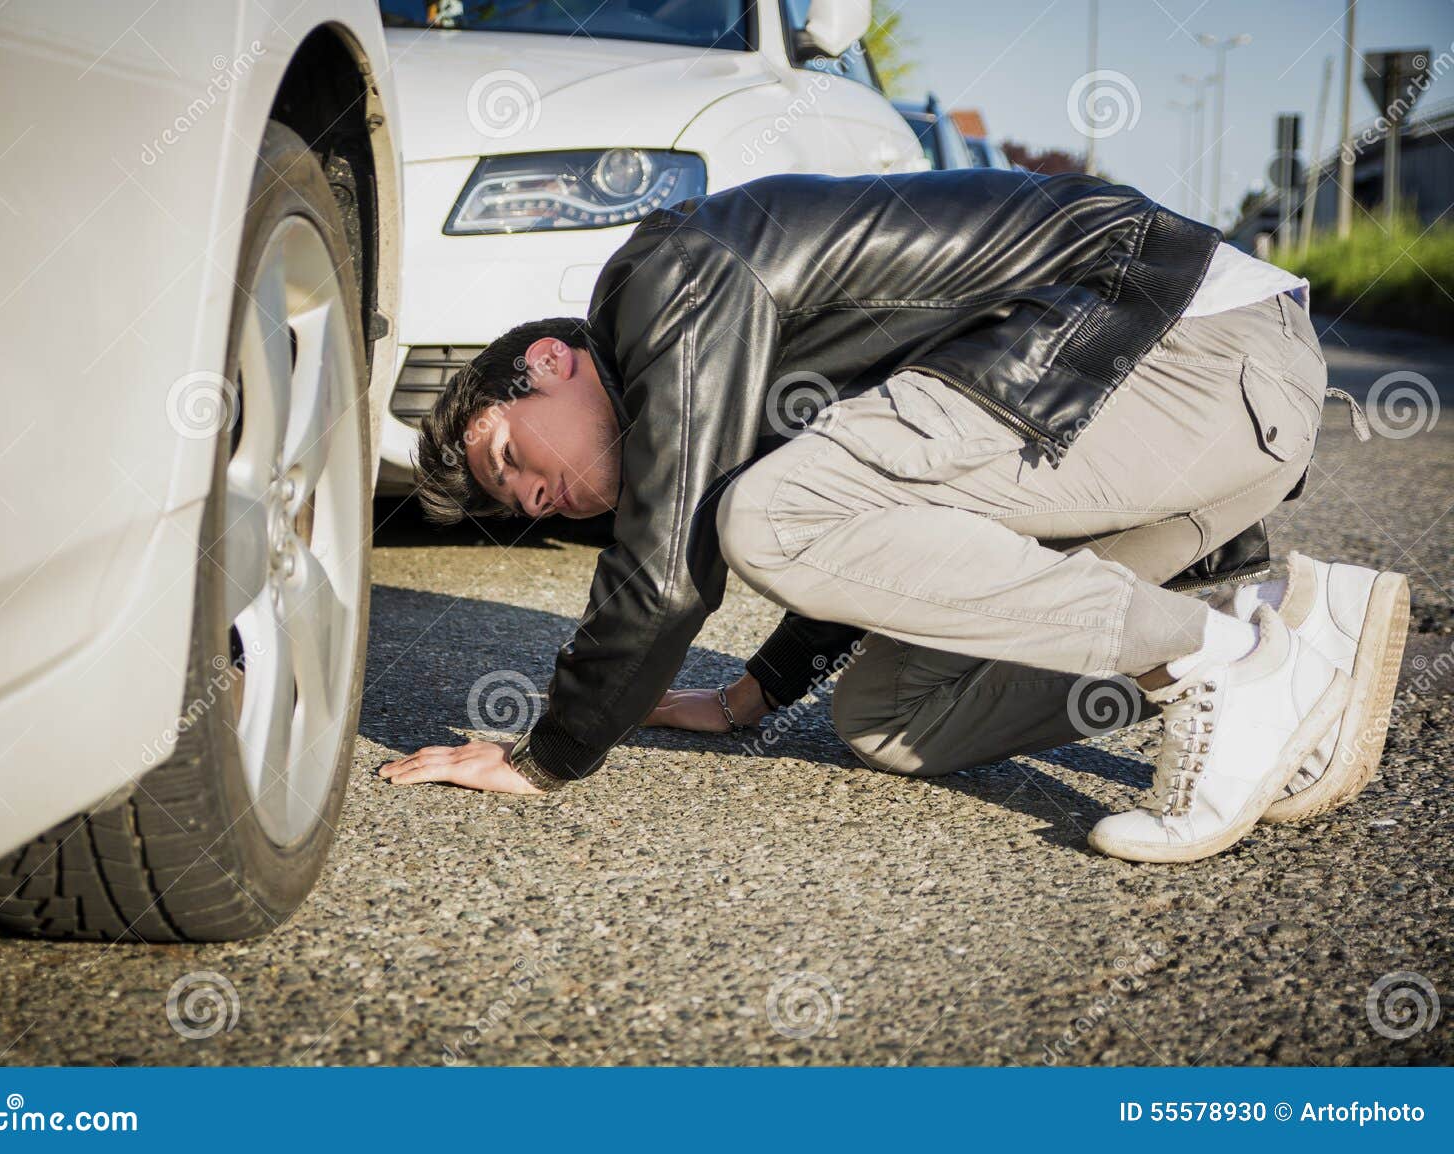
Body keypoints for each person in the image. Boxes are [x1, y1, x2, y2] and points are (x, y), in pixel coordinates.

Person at [377, 169, 1409, 863]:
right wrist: (754, 691)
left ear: (548, 361)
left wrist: (545, 751)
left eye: (512, 455)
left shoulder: (667, 276)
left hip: (1177, 345)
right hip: (1203, 447)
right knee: (889, 718)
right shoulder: (739, 391)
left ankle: (1227, 661)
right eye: (524, 504)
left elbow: (674, 562)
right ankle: (1270, 615)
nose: (539, 497)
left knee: (766, 517)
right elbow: (878, 530)